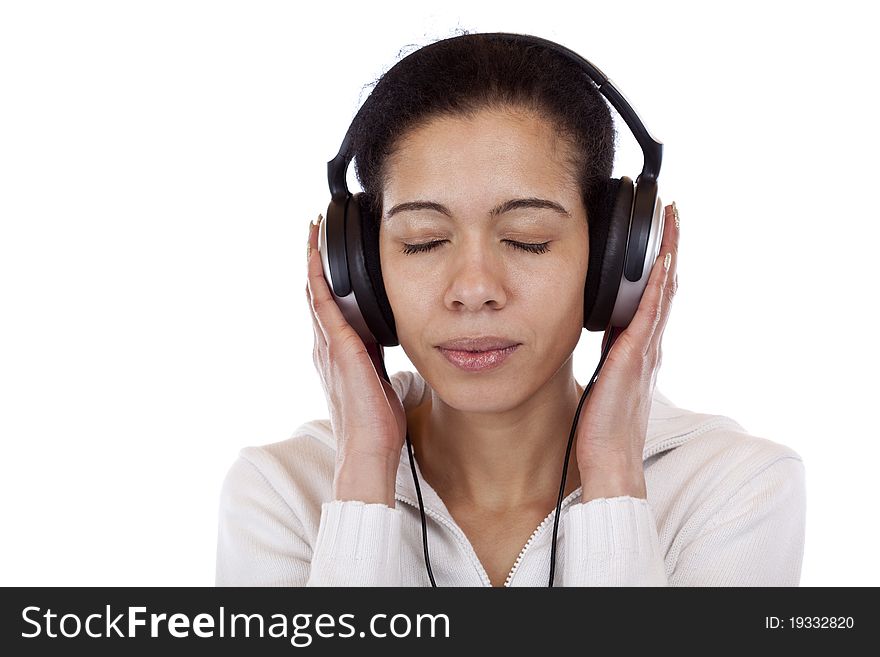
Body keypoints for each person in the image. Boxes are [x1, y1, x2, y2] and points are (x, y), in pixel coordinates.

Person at [214, 32, 806, 587]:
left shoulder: (733, 488)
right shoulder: (283, 495)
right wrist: (364, 477)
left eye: (527, 239)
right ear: (360, 269)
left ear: (612, 255)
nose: (474, 289)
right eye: (422, 240)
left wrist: (613, 475)